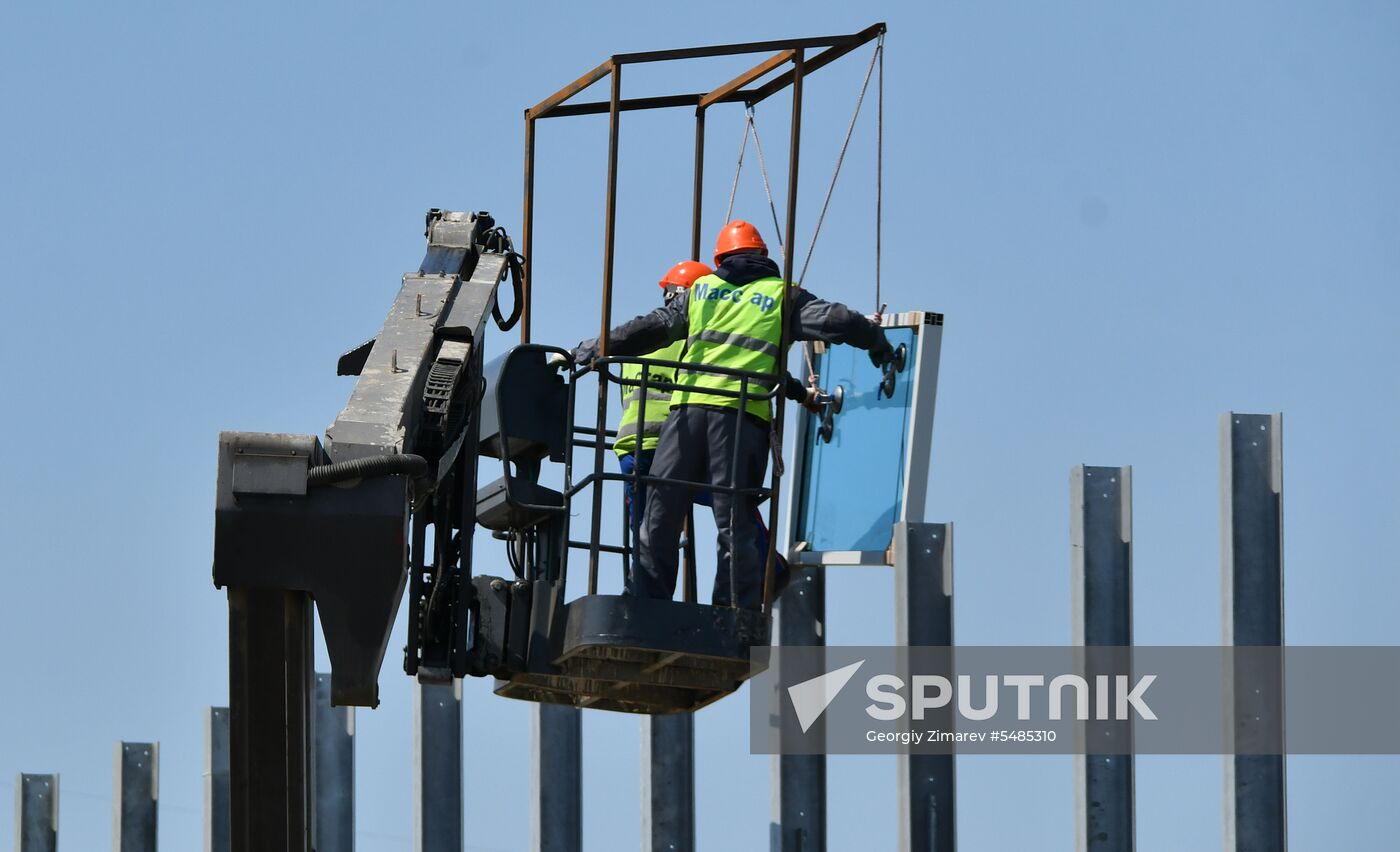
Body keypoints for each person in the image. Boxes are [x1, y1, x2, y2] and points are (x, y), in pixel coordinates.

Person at [574, 220, 893, 609]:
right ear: (763, 256)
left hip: (686, 416)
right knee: (733, 518)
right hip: (741, 420)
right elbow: (838, 321)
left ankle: (644, 603)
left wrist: (597, 346)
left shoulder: (702, 290)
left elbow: (650, 328)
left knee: (660, 511)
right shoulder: (781, 296)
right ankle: (733, 609)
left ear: (719, 259)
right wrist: (877, 343)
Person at [611, 259, 798, 596]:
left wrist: (585, 351)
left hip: (635, 450)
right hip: (680, 444)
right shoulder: (695, 340)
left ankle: (643, 599)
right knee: (734, 503)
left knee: (648, 532)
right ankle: (768, 567)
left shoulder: (638, 340)